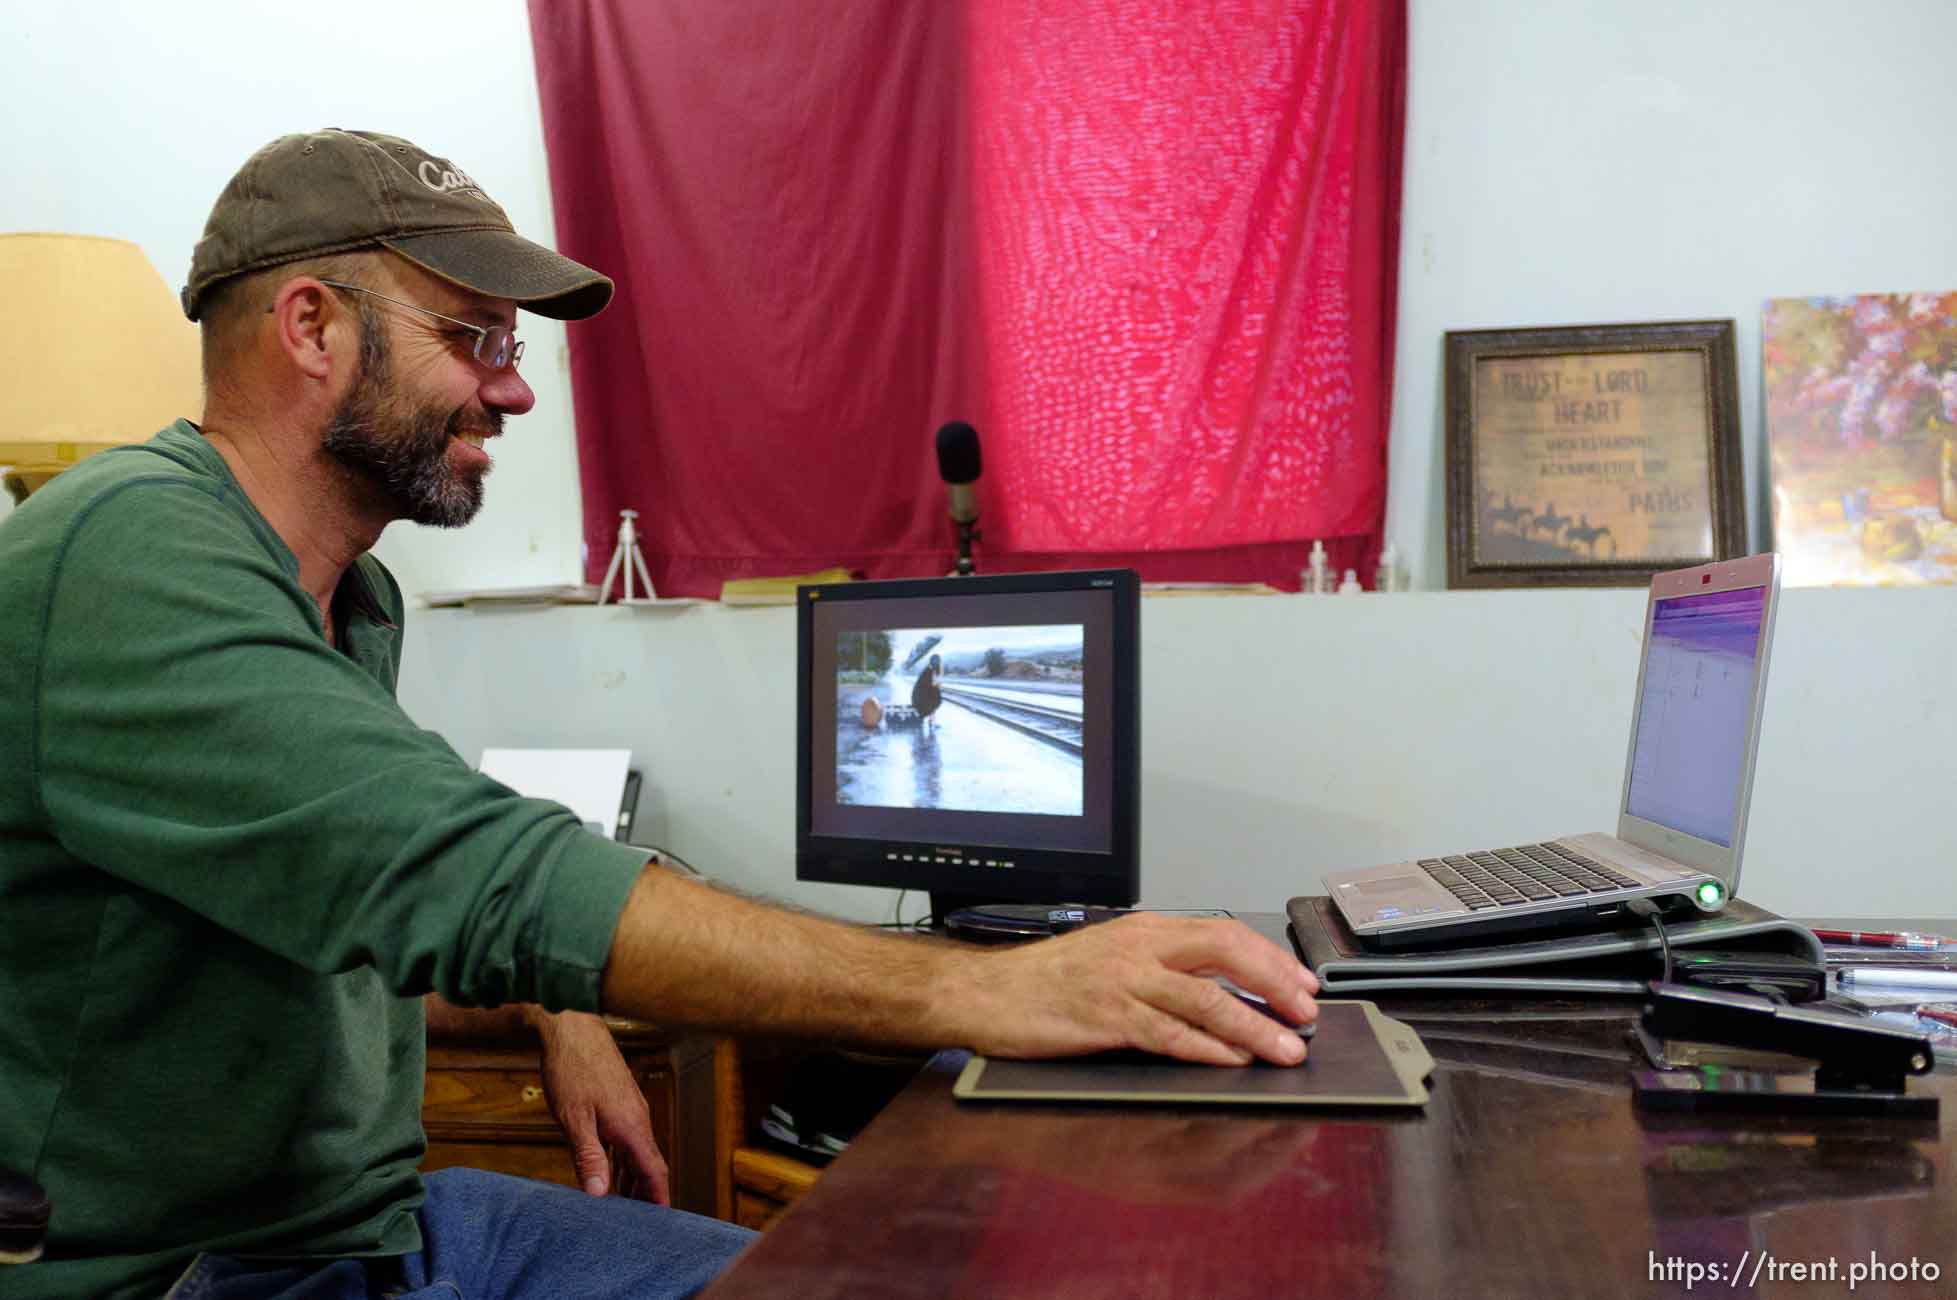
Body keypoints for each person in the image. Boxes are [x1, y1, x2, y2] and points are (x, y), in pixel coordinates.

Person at [0, 129, 1319, 1300]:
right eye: (475, 341)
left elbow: (364, 874)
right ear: (310, 328)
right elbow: (460, 871)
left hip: (371, 1232)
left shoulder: (357, 595)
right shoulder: (125, 548)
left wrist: (559, 1012)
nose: (513, 391)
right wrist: (988, 991)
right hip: (181, 1273)